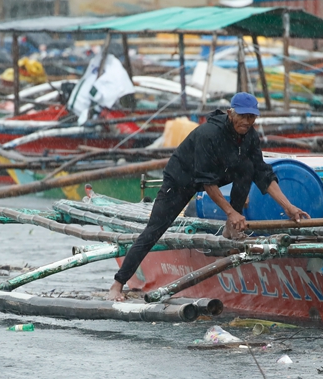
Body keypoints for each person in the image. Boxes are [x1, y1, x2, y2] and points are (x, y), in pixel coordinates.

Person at [106, 92, 310, 302]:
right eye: (242, 116)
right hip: (180, 181)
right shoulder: (209, 134)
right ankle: (117, 284)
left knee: (248, 167)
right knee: (154, 231)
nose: (247, 122)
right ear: (231, 113)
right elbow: (206, 182)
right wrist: (230, 212)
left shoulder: (250, 136)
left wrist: (288, 206)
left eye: (251, 117)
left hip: (214, 175)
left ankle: (231, 231)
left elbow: (263, 173)